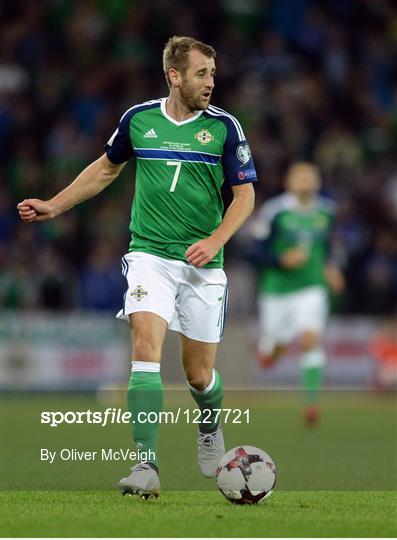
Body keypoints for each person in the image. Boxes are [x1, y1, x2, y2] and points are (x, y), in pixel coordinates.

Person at [17, 36, 257, 498]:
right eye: (202, 73)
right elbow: (105, 169)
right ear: (175, 75)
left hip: (204, 265)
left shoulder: (225, 127)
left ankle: (209, 424)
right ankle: (146, 465)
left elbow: (244, 196)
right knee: (144, 350)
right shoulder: (139, 119)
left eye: (212, 72)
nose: (211, 81)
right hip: (149, 255)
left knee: (198, 375)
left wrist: (215, 240)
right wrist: (55, 205)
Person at [250, 162, 344, 427]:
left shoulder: (327, 211)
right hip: (276, 290)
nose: (305, 181)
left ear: (317, 181)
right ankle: (272, 349)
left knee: (309, 338)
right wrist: (281, 260)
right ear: (288, 182)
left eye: (310, 177)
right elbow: (255, 251)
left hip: (311, 287)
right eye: (300, 177)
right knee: (275, 345)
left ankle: (311, 404)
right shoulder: (275, 211)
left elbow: (332, 247)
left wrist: (332, 268)